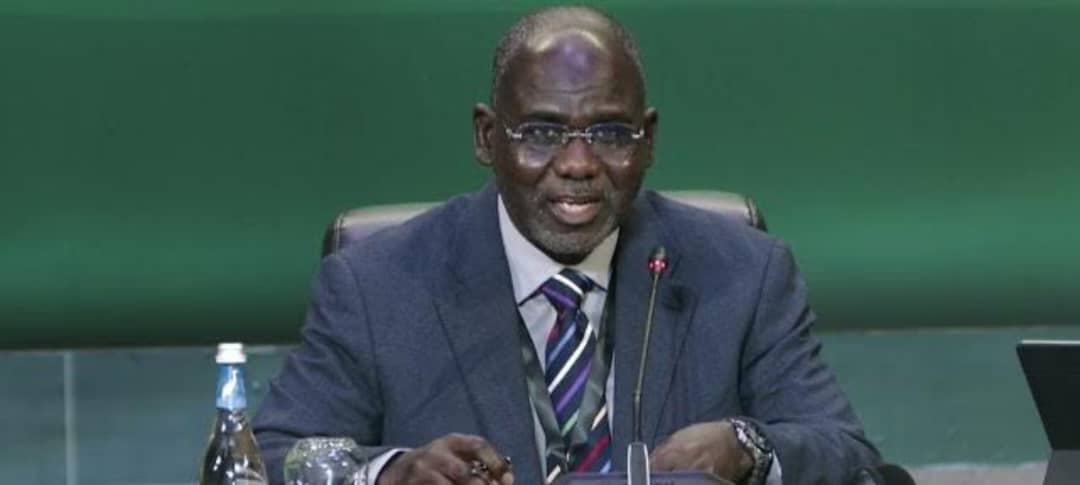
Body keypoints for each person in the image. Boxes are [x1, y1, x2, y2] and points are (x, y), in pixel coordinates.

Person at [254, 6, 879, 485]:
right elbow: (268, 459)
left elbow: (848, 454)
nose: (578, 163)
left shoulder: (744, 272)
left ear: (647, 140)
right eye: (541, 132)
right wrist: (390, 472)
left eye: (609, 133)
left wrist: (749, 448)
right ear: (486, 137)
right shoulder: (376, 286)